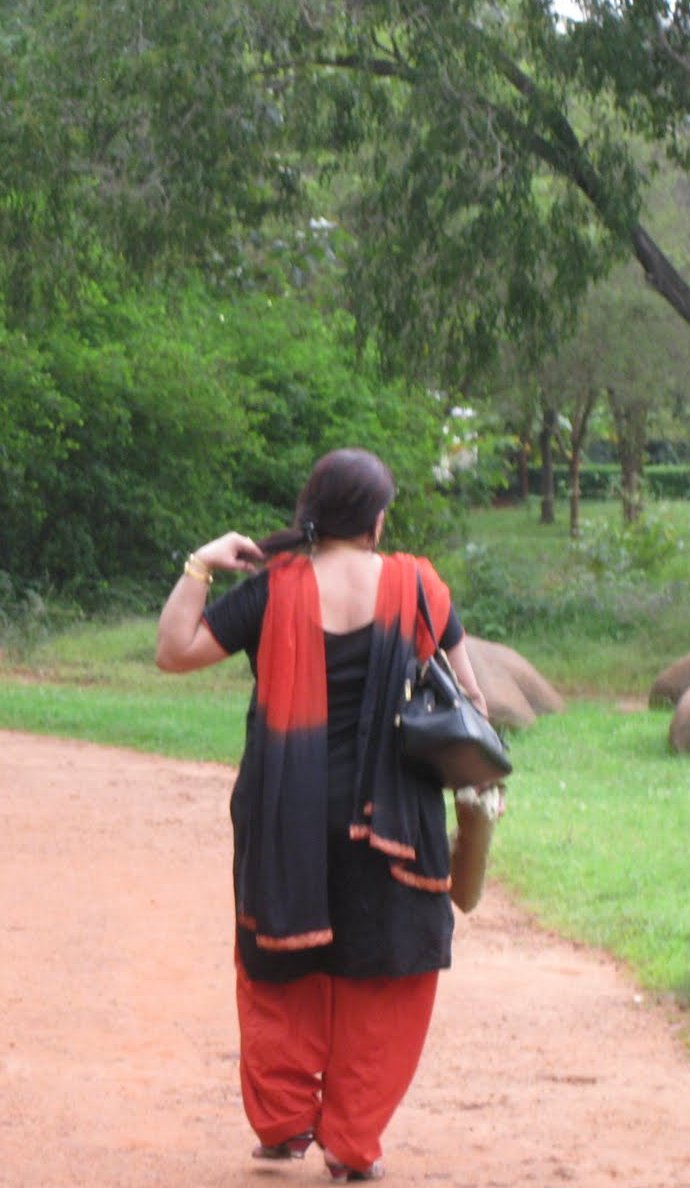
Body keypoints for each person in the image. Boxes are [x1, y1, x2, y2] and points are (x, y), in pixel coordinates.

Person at [155, 447, 490, 1183]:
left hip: (287, 816)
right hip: (394, 824)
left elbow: (174, 651)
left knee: (281, 960)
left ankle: (281, 1126)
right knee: (386, 973)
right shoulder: (420, 587)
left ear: (314, 510)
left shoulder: (274, 588)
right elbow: (474, 704)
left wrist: (199, 566)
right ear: (375, 521)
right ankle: (351, 1141)